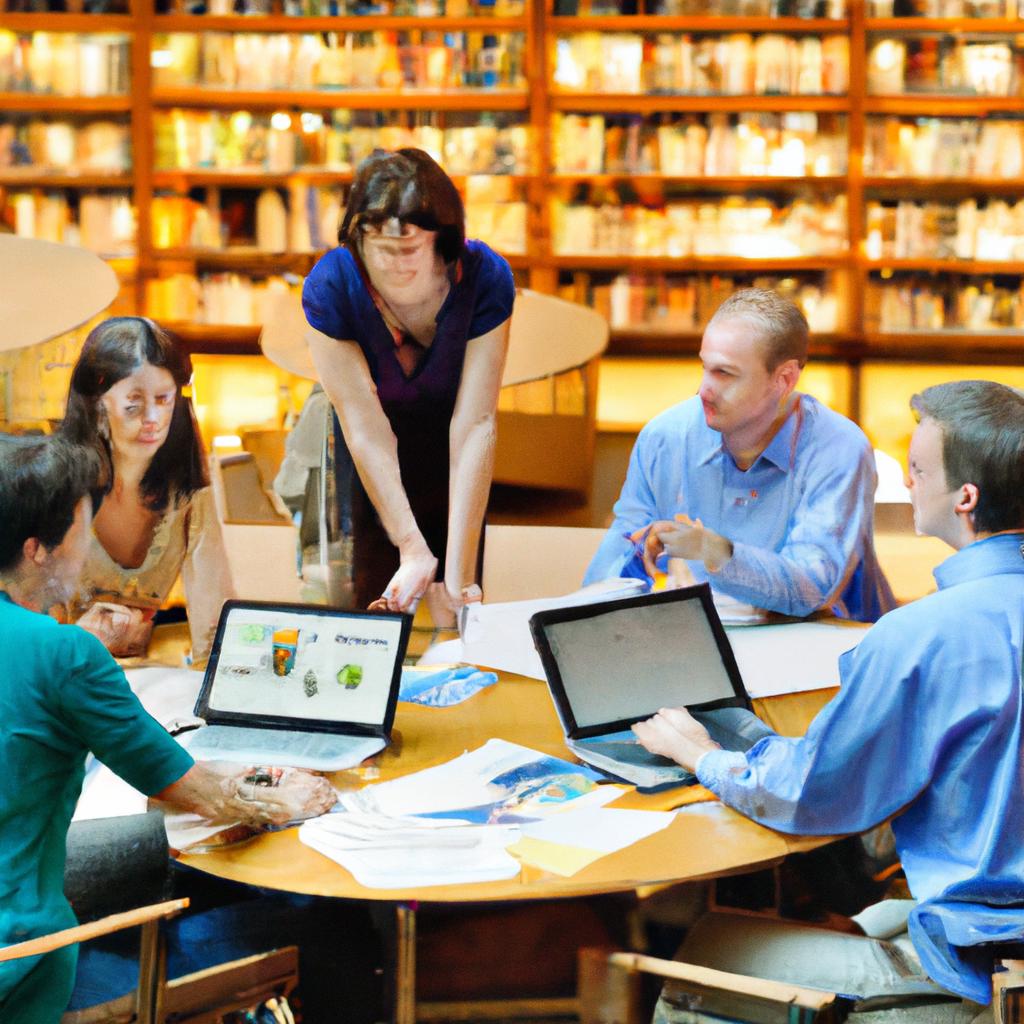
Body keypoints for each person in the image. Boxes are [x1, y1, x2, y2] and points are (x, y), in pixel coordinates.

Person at [633, 380, 1024, 1015]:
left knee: (706, 951)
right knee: (862, 913)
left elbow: (813, 794)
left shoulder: (920, 637)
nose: (908, 481)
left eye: (918, 470)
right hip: (997, 927)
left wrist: (700, 753)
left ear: (966, 498)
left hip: (983, 967)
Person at [0, 433, 335, 1024]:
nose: (90, 548)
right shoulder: (67, 656)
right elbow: (200, 793)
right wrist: (288, 794)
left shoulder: (58, 650)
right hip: (23, 956)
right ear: (37, 550)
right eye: (83, 531)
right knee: (314, 914)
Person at [584, 288, 894, 622]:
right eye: (704, 367)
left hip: (829, 648)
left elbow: (813, 589)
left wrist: (714, 551)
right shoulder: (665, 437)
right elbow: (614, 567)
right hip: (706, 641)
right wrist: (638, 552)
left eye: (725, 374)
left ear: (784, 379)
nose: (704, 388)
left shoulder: (838, 448)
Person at [302, 147, 514, 620]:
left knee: (456, 610)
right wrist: (411, 547)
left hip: (456, 456)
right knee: (375, 617)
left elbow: (476, 422)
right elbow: (363, 426)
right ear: (357, 239)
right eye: (380, 249)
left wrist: (460, 576)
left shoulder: (483, 277)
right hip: (367, 467)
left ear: (442, 239)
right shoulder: (331, 285)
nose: (395, 264)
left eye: (410, 249)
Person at [59, 316, 234, 663]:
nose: (152, 418)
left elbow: (213, 624)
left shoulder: (187, 497)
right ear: (97, 400)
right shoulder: (57, 486)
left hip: (140, 680)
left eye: (164, 399)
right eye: (134, 403)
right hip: (54, 676)